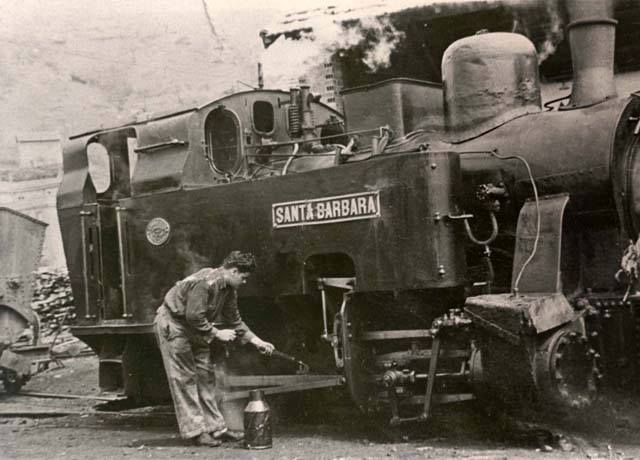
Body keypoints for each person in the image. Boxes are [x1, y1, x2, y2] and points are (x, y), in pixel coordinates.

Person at [154, 251, 275, 447]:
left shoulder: (228, 289)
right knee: (185, 379)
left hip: (196, 328)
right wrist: (217, 334)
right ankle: (196, 432)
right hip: (175, 325)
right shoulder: (205, 283)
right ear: (234, 271)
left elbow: (235, 321)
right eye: (244, 278)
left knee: (206, 376)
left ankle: (216, 428)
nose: (244, 282)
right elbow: (194, 316)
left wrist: (258, 341)